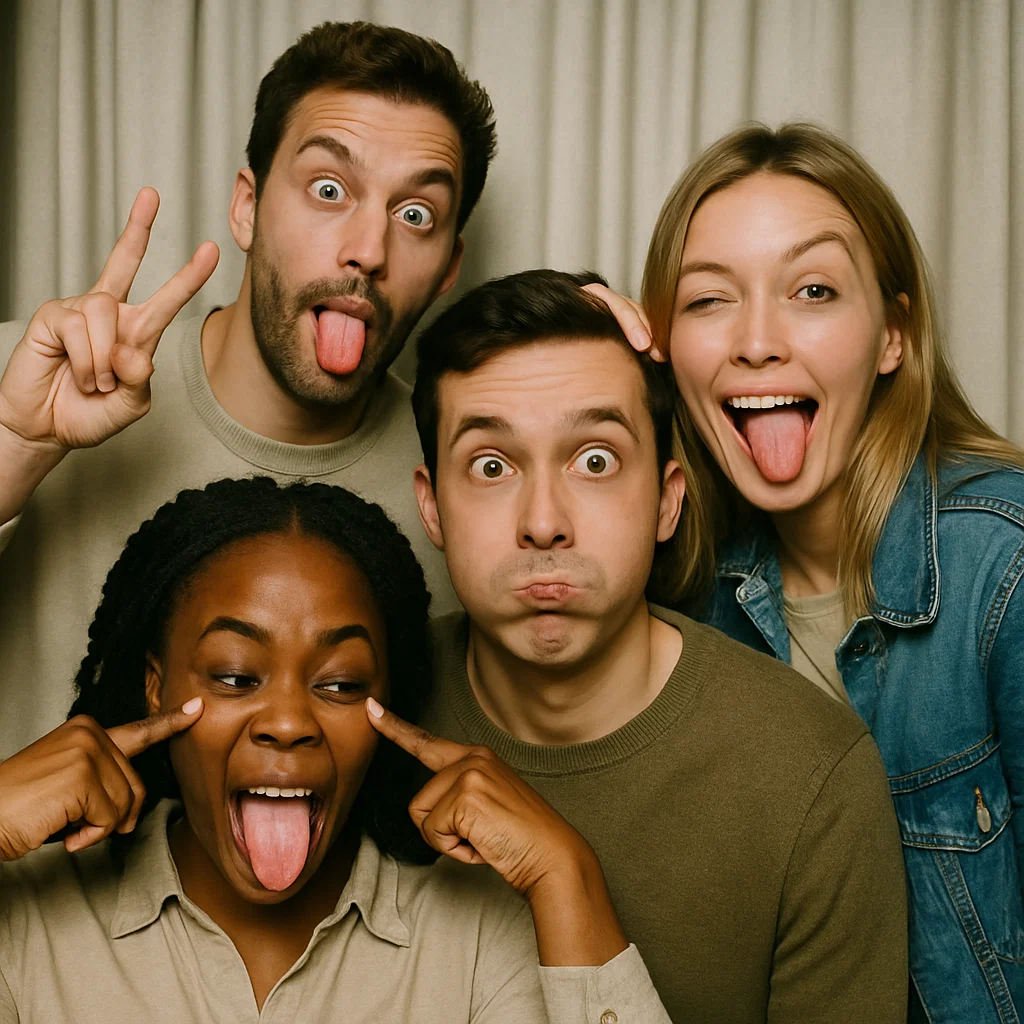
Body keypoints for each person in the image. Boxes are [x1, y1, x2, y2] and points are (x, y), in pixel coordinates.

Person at [597, 120, 1024, 1023]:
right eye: (709, 301)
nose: (757, 342)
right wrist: (591, 367)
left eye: (814, 290)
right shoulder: (685, 589)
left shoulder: (1006, 566)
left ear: (891, 336)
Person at [409, 268, 908, 1023]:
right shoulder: (357, 710)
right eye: (491, 466)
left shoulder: (814, 776)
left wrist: (566, 878)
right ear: (432, 507)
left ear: (667, 501)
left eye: (596, 461)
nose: (544, 522)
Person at [0, 476, 668, 1022]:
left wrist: (566, 877)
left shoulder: (473, 941)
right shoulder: (29, 923)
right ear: (156, 688)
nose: (289, 723)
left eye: (341, 683)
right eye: (236, 676)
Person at [0, 20, 495, 755]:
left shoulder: (462, 485)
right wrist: (14, 447)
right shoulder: (31, 380)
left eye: (414, 214)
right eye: (329, 189)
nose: (367, 249)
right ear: (247, 207)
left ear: (449, 267)